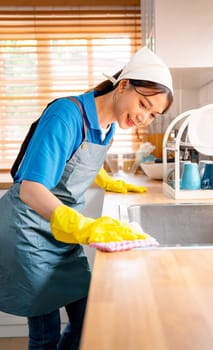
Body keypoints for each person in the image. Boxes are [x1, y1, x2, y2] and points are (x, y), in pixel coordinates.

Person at [0, 46, 173, 350]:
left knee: (87, 321)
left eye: (152, 114)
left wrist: (107, 180)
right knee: (46, 334)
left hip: (60, 233)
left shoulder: (107, 126)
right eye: (143, 104)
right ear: (123, 85)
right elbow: (30, 189)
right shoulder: (66, 115)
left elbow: (75, 161)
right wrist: (84, 227)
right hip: (28, 233)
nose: (144, 117)